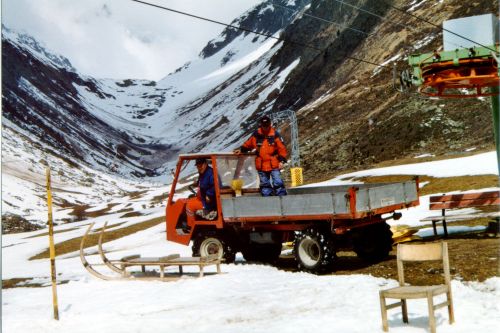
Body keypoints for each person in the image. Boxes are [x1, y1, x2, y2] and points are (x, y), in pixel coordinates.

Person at [234, 115, 287, 196]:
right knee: (264, 185)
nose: (265, 127)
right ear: (261, 125)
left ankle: (282, 199)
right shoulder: (256, 134)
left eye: (267, 125)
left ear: (270, 124)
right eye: (264, 125)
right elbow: (248, 144)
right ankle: (267, 201)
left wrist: (281, 161)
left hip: (274, 164)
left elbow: (282, 148)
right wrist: (241, 150)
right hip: (261, 165)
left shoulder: (275, 134)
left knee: (278, 182)